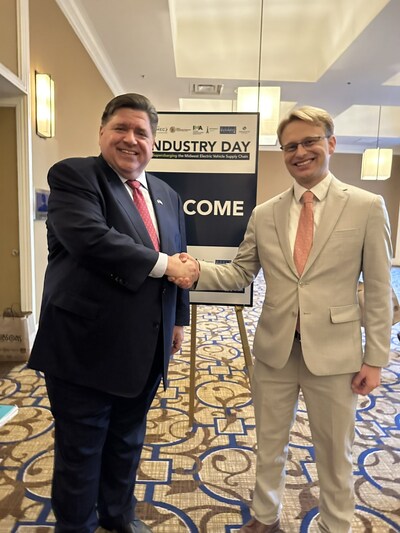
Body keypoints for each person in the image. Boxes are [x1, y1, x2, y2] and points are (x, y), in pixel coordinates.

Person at [173, 106, 393, 532]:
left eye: (310, 141)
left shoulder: (367, 206)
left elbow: (381, 289)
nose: (300, 152)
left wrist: (375, 358)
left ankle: (336, 525)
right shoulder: (265, 213)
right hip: (275, 350)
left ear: (331, 144)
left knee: (335, 452)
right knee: (269, 443)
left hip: (336, 354)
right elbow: (241, 273)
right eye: (290, 146)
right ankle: (265, 517)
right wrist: (198, 270)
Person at [28, 93, 198, 533]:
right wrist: (165, 266)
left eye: (141, 131)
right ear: (102, 133)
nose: (130, 139)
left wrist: (178, 319)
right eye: (120, 128)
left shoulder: (166, 193)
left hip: (145, 347)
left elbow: (179, 257)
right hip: (83, 348)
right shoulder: (75, 176)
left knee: (127, 442)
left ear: (154, 142)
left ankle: (119, 516)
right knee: (81, 451)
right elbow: (92, 240)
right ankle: (78, 526)